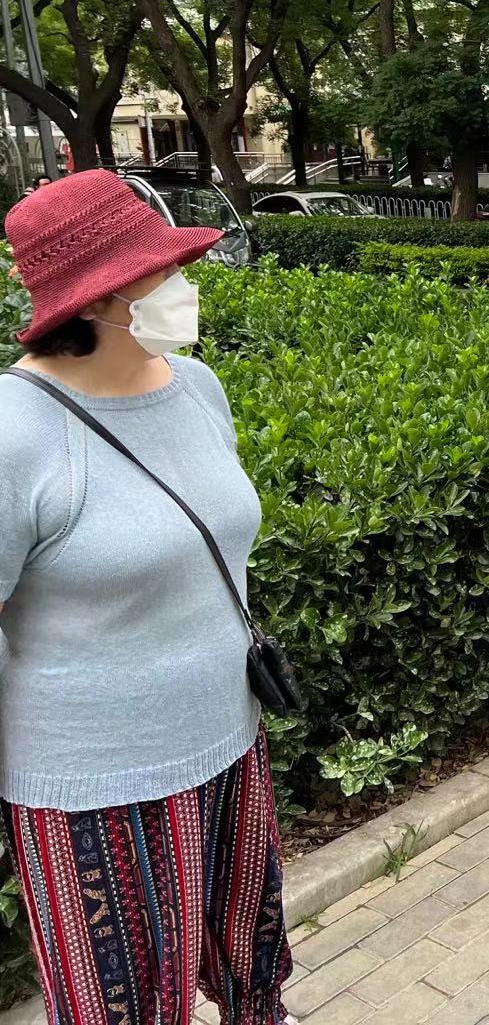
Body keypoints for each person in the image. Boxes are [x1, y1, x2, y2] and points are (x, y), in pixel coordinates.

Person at [0, 170, 295, 1024]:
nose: (183, 286)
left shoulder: (196, 387)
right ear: (99, 298)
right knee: (123, 1008)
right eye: (161, 273)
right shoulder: (16, 432)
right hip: (93, 786)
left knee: (252, 977)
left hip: (229, 741)